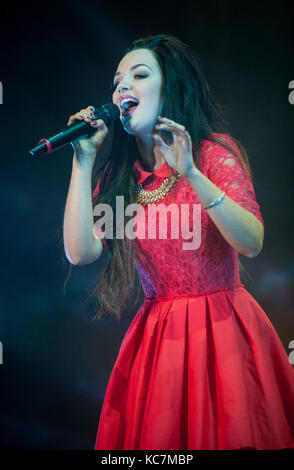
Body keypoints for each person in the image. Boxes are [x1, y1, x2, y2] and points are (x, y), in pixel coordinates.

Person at [63, 34, 294, 450]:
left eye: (139, 75)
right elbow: (80, 253)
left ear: (171, 88)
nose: (122, 87)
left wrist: (189, 171)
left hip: (223, 331)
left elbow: (252, 241)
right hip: (160, 341)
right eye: (117, 81)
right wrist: (83, 160)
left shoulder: (213, 155)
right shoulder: (119, 178)